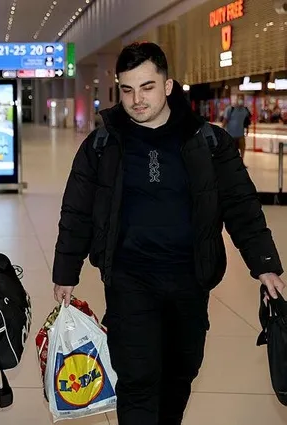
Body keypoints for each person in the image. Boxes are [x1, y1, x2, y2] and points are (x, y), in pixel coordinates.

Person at [52, 42, 285, 425]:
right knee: (137, 378)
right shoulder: (102, 144)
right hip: (129, 279)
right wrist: (65, 271)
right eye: (127, 89)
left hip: (190, 279)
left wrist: (265, 264)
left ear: (168, 85)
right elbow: (76, 212)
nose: (136, 100)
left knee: (181, 374)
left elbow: (241, 206)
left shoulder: (209, 142)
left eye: (146, 87)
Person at [222, 94, 251, 161]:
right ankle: (231, 162)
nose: (241, 100)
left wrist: (247, 129)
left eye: (242, 99)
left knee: (242, 148)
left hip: (241, 134)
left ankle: (241, 162)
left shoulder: (245, 110)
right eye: (240, 99)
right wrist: (222, 131)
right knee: (231, 150)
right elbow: (225, 120)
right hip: (230, 135)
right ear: (236, 100)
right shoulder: (230, 109)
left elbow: (246, 121)